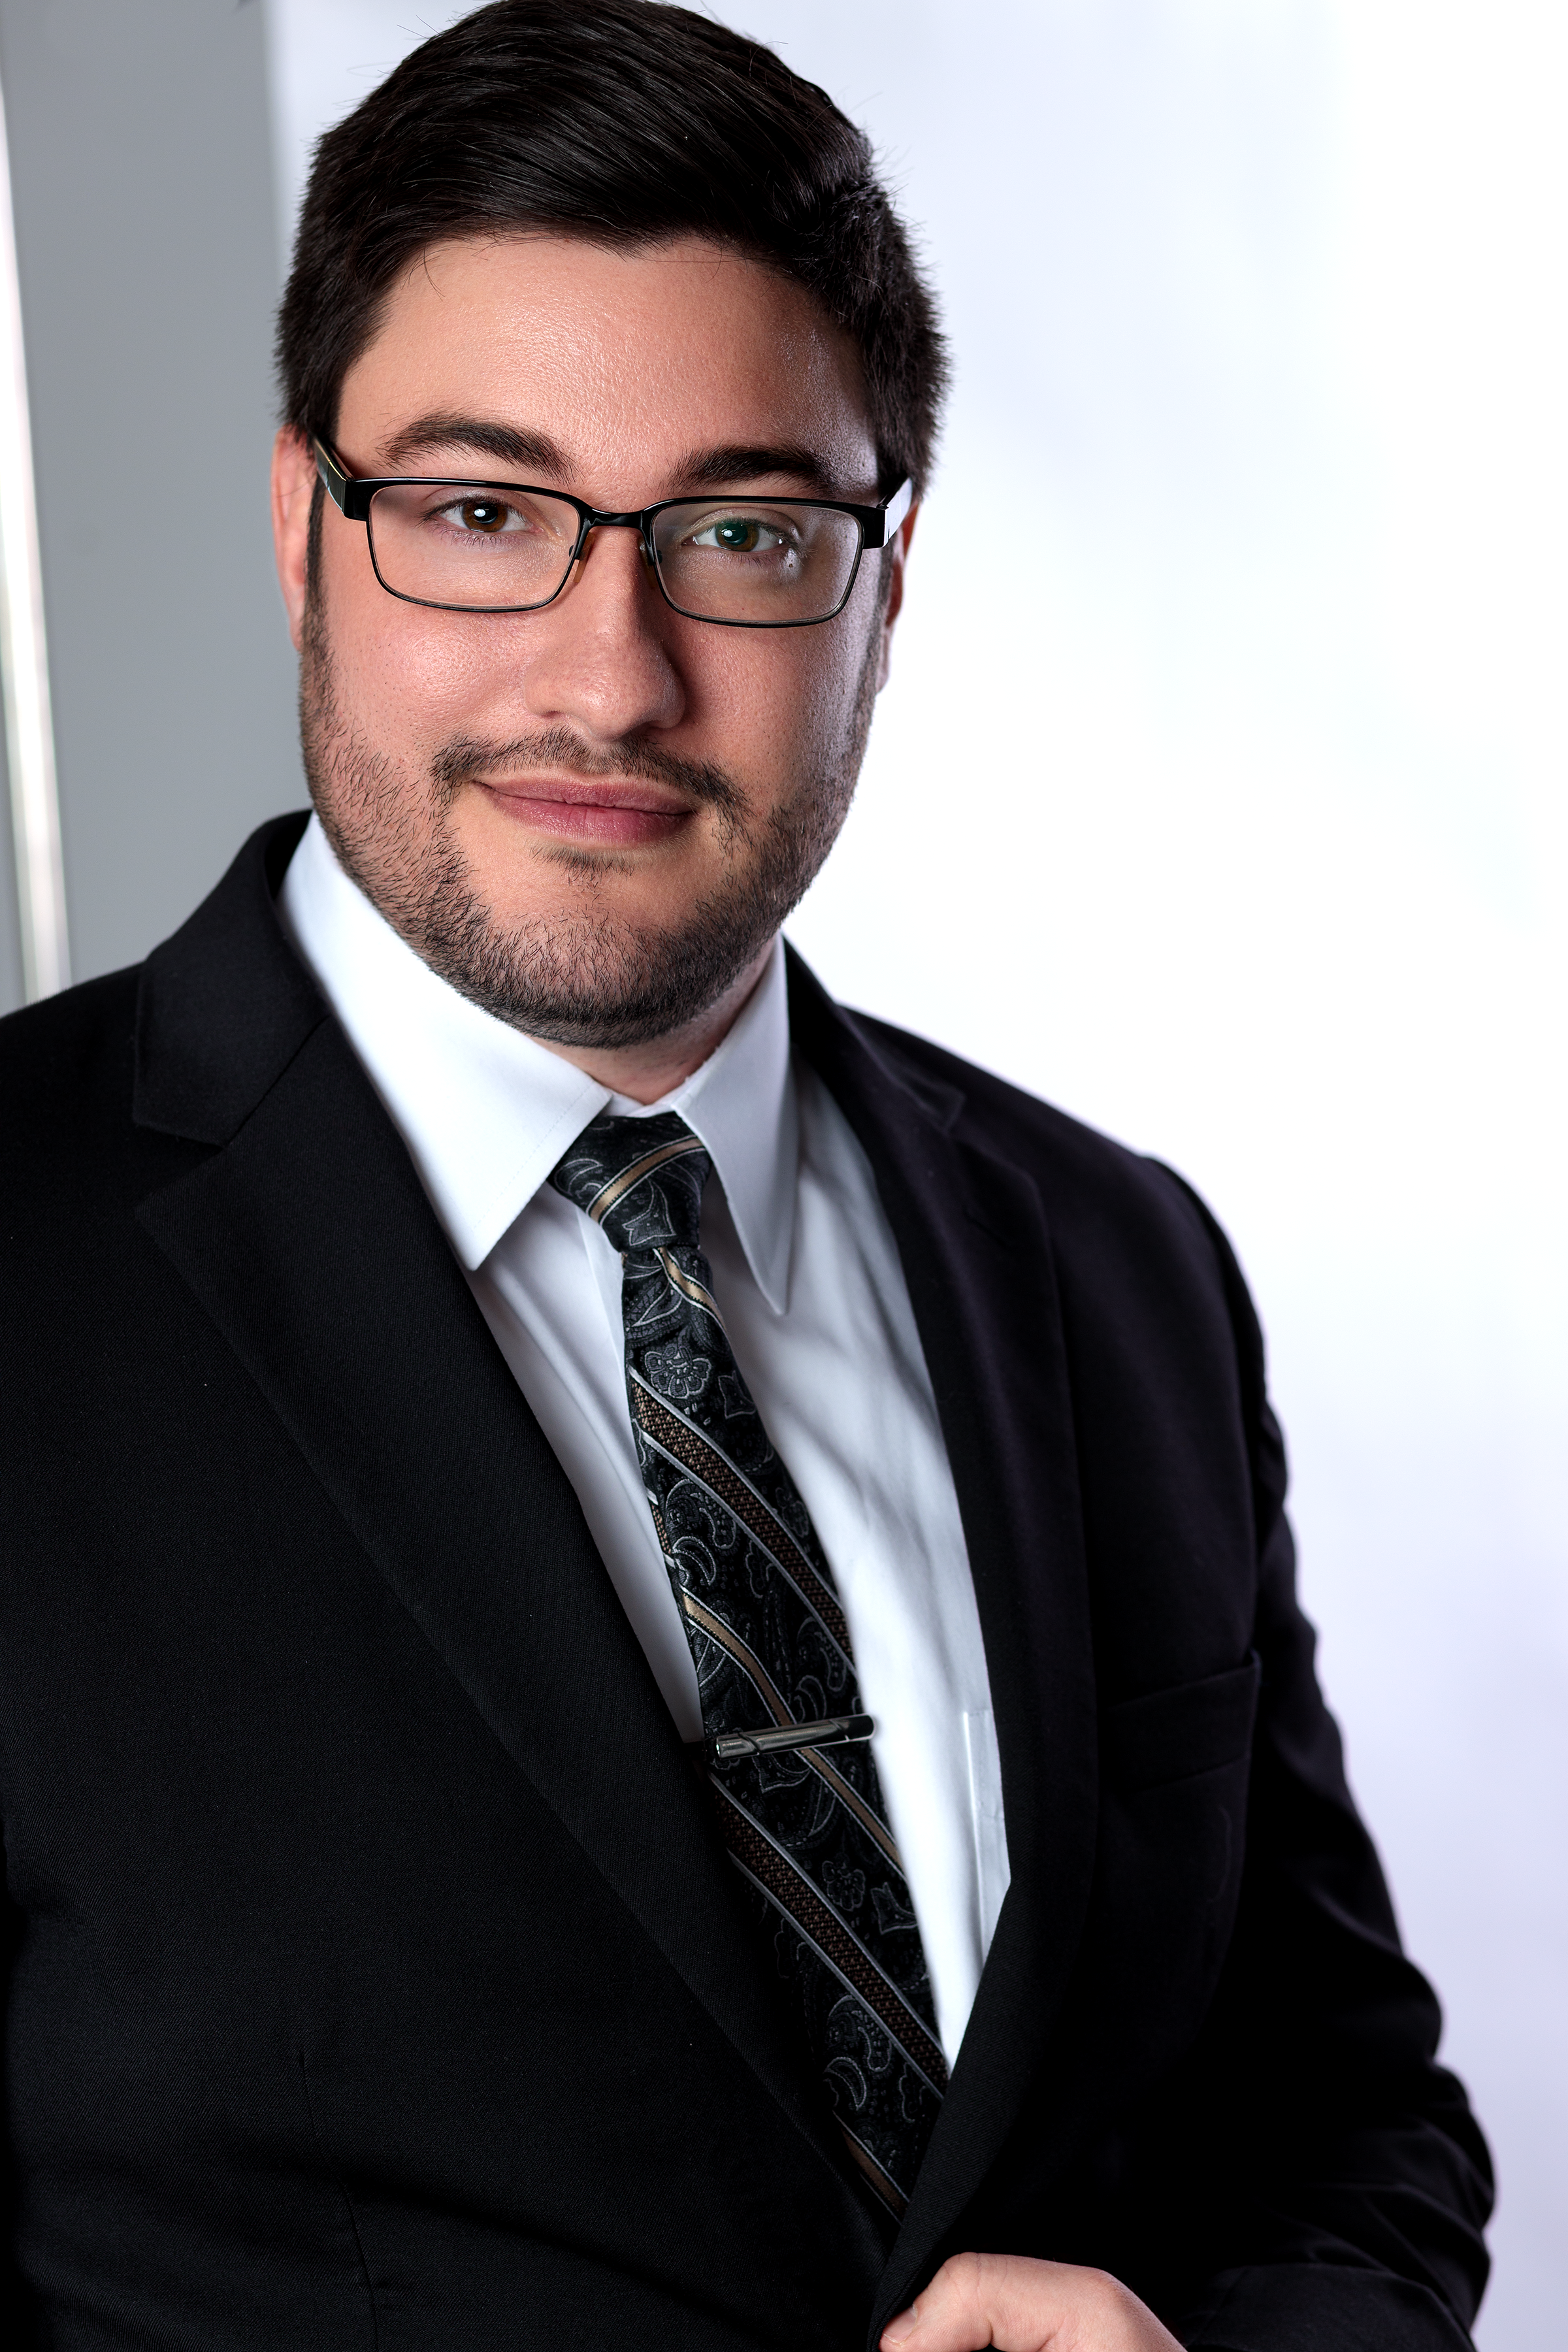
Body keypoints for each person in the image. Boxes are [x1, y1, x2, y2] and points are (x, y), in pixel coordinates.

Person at [0, 3, 1492, 2346]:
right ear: (306, 525)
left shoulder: (1116, 1272)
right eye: (486, 512)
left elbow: (1342, 2124)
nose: (610, 677)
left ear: (884, 581)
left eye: (736, 533)